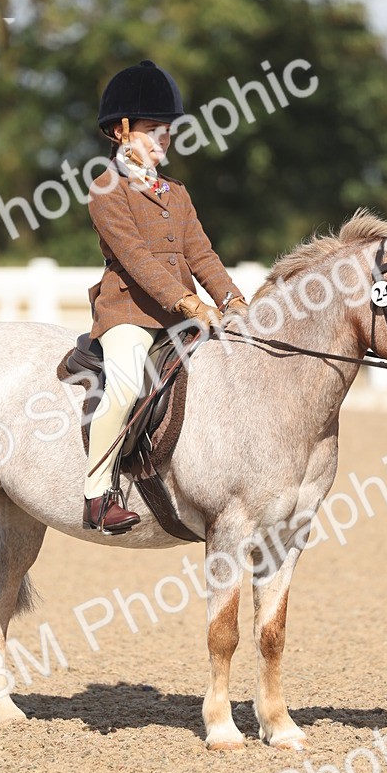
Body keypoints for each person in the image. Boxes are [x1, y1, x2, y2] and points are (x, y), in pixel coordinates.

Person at [82, 58, 249, 535]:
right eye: (152, 130)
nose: (162, 140)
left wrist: (233, 300)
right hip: (129, 314)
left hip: (182, 319)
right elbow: (137, 261)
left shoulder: (176, 192)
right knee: (125, 380)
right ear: (121, 131)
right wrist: (191, 303)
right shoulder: (106, 190)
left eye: (167, 132)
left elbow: (202, 253)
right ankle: (97, 494)